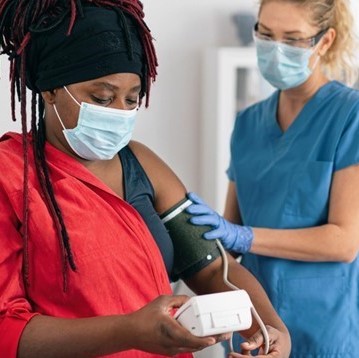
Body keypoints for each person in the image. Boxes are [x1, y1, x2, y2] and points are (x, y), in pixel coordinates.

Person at [0, 1, 291, 357]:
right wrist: (129, 331)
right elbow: (6, 330)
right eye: (102, 98)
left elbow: (213, 269)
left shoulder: (140, 164)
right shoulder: (10, 177)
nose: (120, 114)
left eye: (131, 99)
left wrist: (269, 327)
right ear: (50, 89)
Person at [186, 0, 359, 357]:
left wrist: (244, 237)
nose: (275, 49)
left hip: (323, 329)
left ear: (324, 42)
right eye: (265, 34)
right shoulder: (248, 122)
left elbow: (344, 242)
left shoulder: (349, 116)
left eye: (292, 39)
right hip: (253, 326)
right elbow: (228, 237)